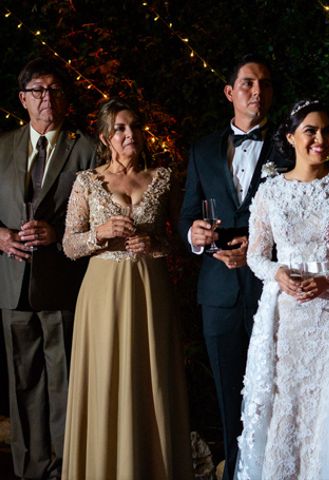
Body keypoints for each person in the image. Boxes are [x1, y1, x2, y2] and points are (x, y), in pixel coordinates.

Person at [234, 99, 329, 479]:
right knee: (288, 403)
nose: (321, 139)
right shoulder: (269, 192)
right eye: (311, 131)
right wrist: (278, 274)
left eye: (327, 131)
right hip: (286, 316)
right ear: (291, 137)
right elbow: (255, 255)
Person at [61, 98, 193, 479]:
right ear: (106, 136)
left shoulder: (163, 178)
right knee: (105, 379)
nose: (129, 134)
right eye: (120, 128)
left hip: (150, 289)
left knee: (150, 379)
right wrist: (98, 235)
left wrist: (156, 246)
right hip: (102, 293)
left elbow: (183, 242)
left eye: (134, 125)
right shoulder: (87, 181)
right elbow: (70, 245)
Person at [178, 53, 288, 480]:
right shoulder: (203, 148)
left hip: (270, 289)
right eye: (247, 83)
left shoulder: (287, 144)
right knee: (227, 394)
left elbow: (299, 216)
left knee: (274, 391)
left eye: (264, 84)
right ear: (230, 92)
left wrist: (261, 247)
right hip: (218, 292)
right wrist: (196, 237)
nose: (256, 91)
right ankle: (233, 473)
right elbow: (187, 214)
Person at [0, 57, 96, 480]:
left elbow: (99, 214)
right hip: (12, 282)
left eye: (55, 89)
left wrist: (57, 234)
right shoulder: (2, 146)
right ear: (23, 99)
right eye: (38, 90)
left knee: (64, 382)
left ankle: (66, 466)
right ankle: (29, 469)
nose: (47, 98)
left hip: (64, 281)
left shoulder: (87, 148)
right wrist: (0, 237)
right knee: (23, 382)